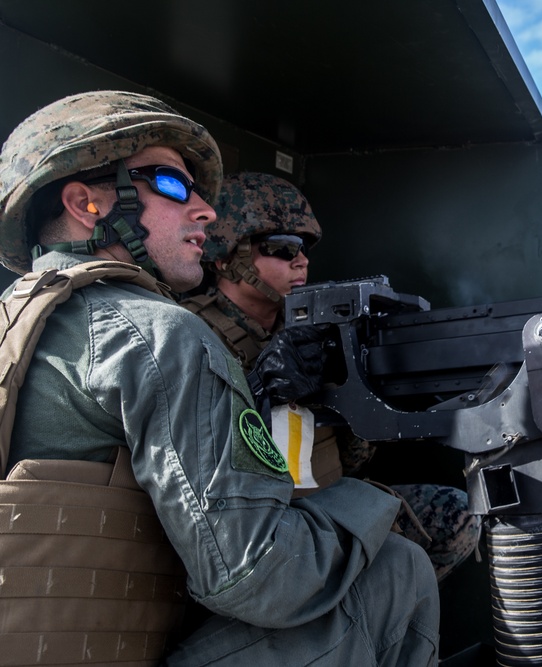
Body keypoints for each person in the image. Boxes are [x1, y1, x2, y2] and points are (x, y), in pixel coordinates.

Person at [0, 90, 438, 665]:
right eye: (174, 185)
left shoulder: (19, 318)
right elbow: (261, 578)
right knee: (398, 568)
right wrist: (368, 505)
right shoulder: (159, 333)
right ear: (87, 202)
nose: (205, 210)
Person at [182, 171, 480, 581]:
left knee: (458, 517)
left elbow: (353, 463)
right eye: (282, 248)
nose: (301, 260)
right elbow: (188, 461)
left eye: (303, 248)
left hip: (327, 506)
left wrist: (351, 386)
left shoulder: (311, 330)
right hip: (248, 530)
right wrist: (261, 389)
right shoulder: (188, 332)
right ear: (225, 257)